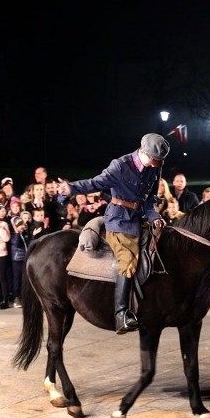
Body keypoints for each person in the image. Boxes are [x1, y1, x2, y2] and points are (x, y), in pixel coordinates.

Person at [57, 133, 169, 334]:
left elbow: (151, 200)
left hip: (140, 221)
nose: (156, 165)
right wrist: (70, 188)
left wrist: (154, 217)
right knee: (127, 260)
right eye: (154, 160)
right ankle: (121, 314)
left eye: (159, 162)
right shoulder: (120, 165)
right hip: (118, 221)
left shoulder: (156, 168)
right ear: (143, 152)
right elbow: (95, 183)